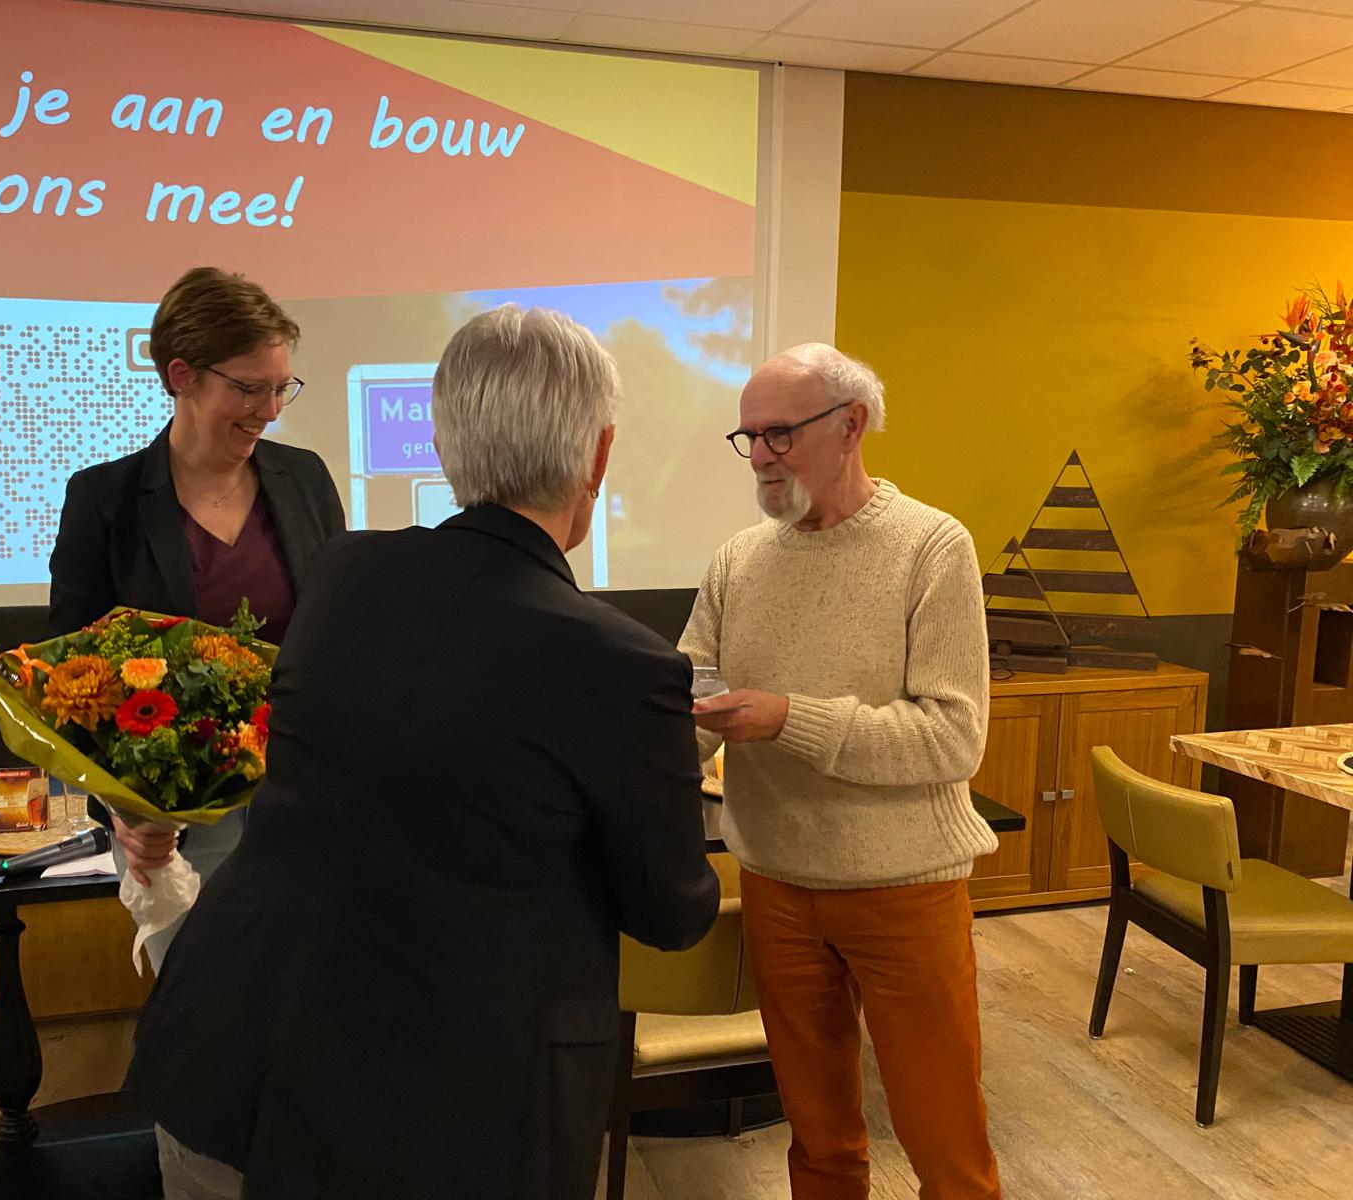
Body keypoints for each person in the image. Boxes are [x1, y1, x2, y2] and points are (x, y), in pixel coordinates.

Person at [124, 305, 720, 1200]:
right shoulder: (622, 665)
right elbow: (672, 912)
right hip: (439, 1113)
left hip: (234, 1049)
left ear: (442, 446)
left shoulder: (345, 574)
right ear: (599, 454)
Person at [681, 344, 1003, 1200]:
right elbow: (696, 696)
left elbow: (952, 739)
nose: (760, 456)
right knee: (818, 1143)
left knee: (947, 1149)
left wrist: (790, 718)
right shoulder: (737, 560)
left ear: (851, 424)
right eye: (749, 437)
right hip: (776, 885)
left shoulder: (931, 547)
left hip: (904, 892)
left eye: (779, 434)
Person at [48, 266, 345, 878]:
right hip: (174, 821)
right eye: (249, 389)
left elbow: (337, 638)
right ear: (181, 375)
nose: (270, 411)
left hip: (309, 801)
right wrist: (125, 811)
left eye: (281, 388)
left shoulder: (306, 479)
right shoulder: (103, 500)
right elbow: (69, 685)